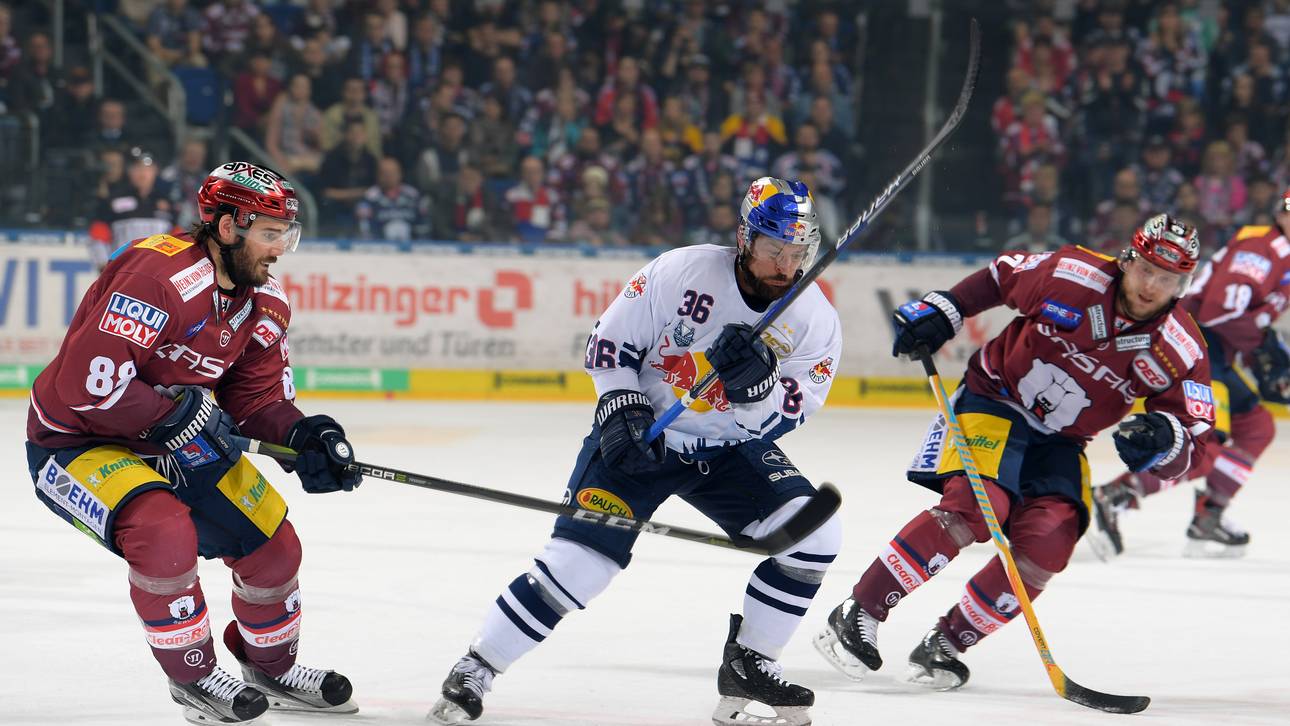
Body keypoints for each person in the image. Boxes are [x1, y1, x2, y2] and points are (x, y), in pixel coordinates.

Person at [429, 177, 843, 726]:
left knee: (815, 538)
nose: (785, 267)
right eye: (773, 250)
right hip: (644, 437)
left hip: (728, 448)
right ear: (745, 237)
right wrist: (622, 407)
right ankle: (478, 666)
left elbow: (789, 412)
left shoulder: (814, 318)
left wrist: (756, 387)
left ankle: (751, 663)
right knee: (579, 566)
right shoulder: (682, 272)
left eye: (797, 253)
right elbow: (609, 344)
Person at [25, 162, 363, 724]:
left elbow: (255, 399)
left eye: (286, 234)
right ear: (228, 227)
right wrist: (174, 414)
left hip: (171, 439)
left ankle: (271, 668)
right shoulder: (157, 277)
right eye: (270, 233)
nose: (280, 250)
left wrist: (304, 435)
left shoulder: (265, 301)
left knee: (273, 546)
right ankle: (195, 679)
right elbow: (85, 386)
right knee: (162, 530)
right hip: (76, 441)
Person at [815, 214, 1214, 690]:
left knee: (1050, 542)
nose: (1151, 286)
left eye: (1167, 279)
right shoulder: (1073, 273)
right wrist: (947, 308)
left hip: (1063, 440)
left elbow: (1195, 441)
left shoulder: (1182, 348)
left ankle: (947, 642)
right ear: (1128, 259)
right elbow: (1000, 276)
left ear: (1183, 285)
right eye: (1146, 269)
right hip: (995, 399)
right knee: (977, 506)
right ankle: (859, 610)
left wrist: (1166, 439)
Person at [1092, 194, 1290, 558]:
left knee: (1257, 427)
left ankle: (1209, 514)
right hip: (1194, 345)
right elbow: (1219, 313)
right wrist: (1262, 345)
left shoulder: (1281, 254)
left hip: (1216, 351)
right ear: (1282, 214)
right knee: (1205, 446)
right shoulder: (1260, 252)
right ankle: (1117, 494)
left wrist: (1262, 346)